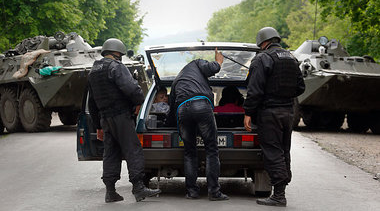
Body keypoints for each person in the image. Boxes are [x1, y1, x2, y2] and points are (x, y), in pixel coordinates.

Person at [87, 38, 161, 203]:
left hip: (105, 118)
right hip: (121, 115)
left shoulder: (93, 71)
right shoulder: (116, 67)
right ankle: (139, 187)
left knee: (110, 153)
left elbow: (91, 101)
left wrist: (98, 125)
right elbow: (131, 88)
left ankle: (110, 191)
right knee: (132, 149)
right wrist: (138, 101)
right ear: (118, 54)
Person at [243, 27, 305, 207]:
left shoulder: (262, 59)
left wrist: (248, 113)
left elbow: (254, 91)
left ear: (262, 42)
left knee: (273, 152)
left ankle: (278, 196)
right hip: (288, 113)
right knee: (284, 150)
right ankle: (281, 190)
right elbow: (300, 88)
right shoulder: (292, 59)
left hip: (269, 113)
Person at [168, 48, 229, 201]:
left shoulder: (177, 81)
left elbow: (171, 107)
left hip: (182, 109)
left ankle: (192, 192)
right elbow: (211, 68)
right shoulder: (196, 63)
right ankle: (214, 192)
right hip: (201, 105)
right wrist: (218, 61)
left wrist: (166, 124)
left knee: (189, 151)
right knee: (211, 149)